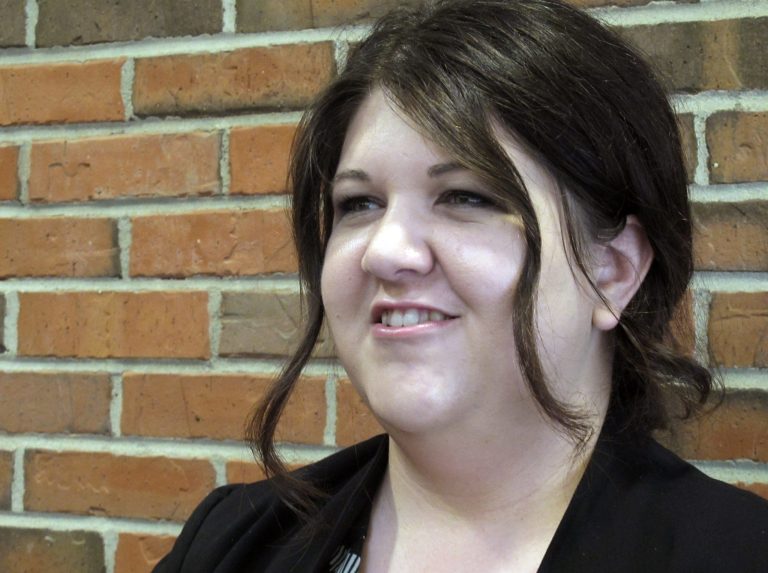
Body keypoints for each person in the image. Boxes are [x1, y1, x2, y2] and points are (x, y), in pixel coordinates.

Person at [154, 1, 768, 571]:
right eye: (359, 203)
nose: (387, 251)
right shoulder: (231, 543)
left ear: (612, 271)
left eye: (465, 197)